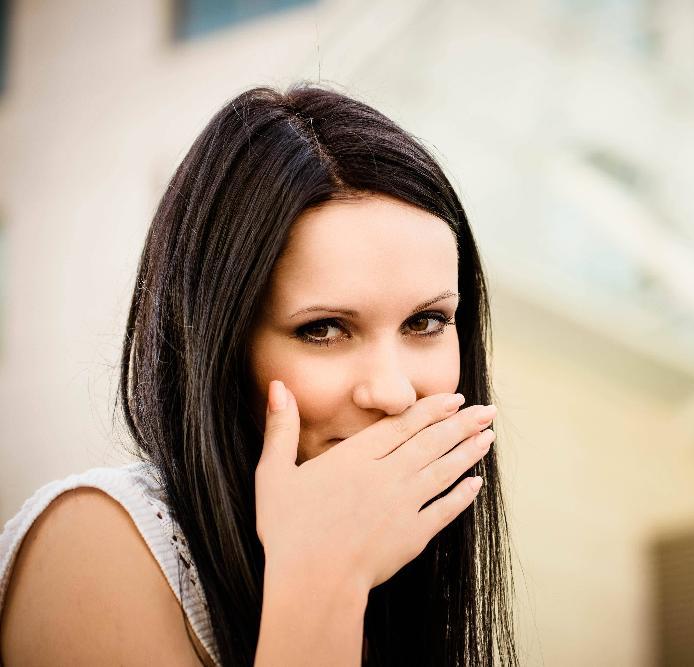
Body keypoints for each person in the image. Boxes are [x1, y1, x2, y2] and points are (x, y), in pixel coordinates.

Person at [0, 84, 520, 666]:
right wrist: (323, 578)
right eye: (323, 330)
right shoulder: (95, 545)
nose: (395, 393)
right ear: (221, 345)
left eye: (426, 321)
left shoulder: (405, 579)